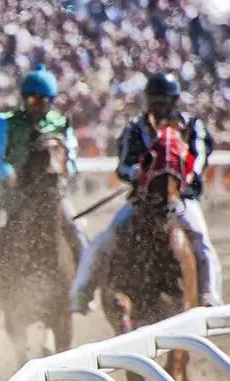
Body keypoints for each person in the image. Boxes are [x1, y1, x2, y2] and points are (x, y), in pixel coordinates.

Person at [69, 72, 219, 313]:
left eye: (163, 100)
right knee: (103, 239)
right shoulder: (135, 128)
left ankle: (209, 294)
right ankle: (83, 292)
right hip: (143, 199)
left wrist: (187, 173)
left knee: (201, 242)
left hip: (181, 199)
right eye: (154, 100)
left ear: (174, 100)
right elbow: (123, 165)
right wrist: (138, 173)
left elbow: (199, 156)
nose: (158, 106)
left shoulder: (191, 125)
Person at [0, 64, 87, 262]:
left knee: (75, 228)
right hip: (13, 188)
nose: (37, 105)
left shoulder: (61, 123)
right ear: (24, 98)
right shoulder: (6, 121)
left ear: (51, 100)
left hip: (51, 190)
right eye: (32, 100)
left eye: (43, 100)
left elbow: (70, 156)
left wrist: (66, 171)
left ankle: (85, 282)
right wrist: (7, 173)